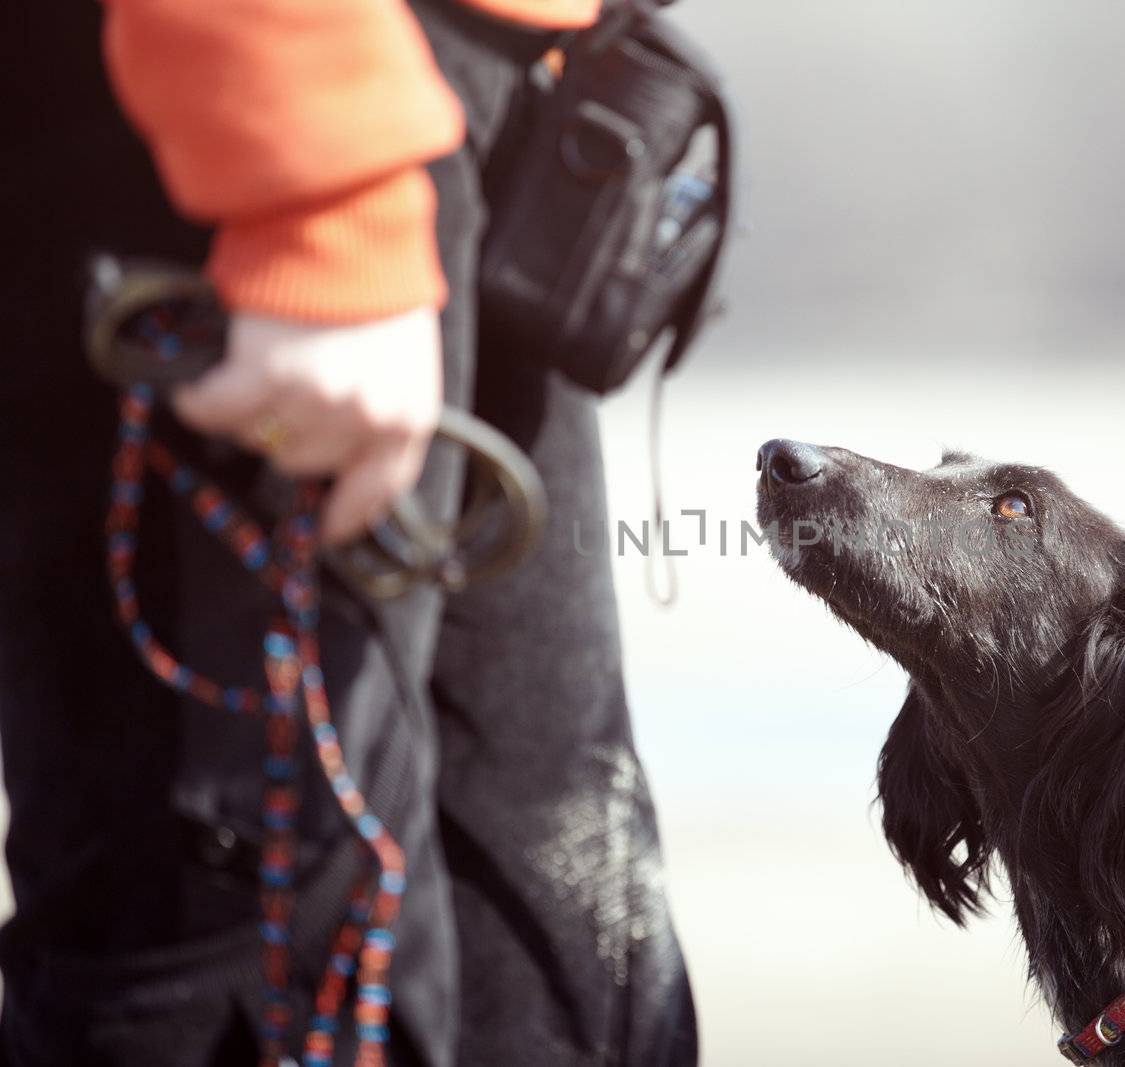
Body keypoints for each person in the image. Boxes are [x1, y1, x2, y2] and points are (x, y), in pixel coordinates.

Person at [0, 1, 696, 1064]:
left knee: (557, 945)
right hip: (249, 132)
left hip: (484, 106)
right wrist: (309, 186)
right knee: (256, 970)